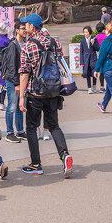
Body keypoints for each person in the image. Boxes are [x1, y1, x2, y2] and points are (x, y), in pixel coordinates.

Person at [17, 14, 73, 177]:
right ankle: (64, 156)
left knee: (31, 128)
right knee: (54, 126)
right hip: (53, 91)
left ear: (32, 27)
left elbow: (24, 73)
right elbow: (61, 63)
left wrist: (21, 96)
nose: (25, 27)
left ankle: (36, 164)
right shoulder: (54, 42)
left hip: (35, 92)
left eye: (26, 24)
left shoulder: (28, 46)